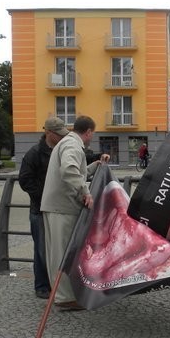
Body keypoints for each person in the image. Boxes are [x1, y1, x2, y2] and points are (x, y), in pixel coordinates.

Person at [41, 115, 109, 309]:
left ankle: (61, 294)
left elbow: (75, 171)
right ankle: (64, 298)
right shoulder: (72, 145)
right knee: (63, 254)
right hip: (62, 207)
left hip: (56, 206)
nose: (92, 138)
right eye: (92, 134)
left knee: (57, 253)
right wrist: (85, 191)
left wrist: (95, 165)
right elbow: (69, 170)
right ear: (88, 132)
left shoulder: (67, 143)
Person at [18, 116, 69, 299]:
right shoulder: (34, 153)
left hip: (55, 208)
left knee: (55, 248)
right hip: (40, 209)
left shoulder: (61, 149)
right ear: (48, 133)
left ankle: (54, 283)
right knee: (41, 249)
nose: (62, 137)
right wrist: (44, 196)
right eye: (58, 134)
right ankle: (41, 285)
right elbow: (24, 180)